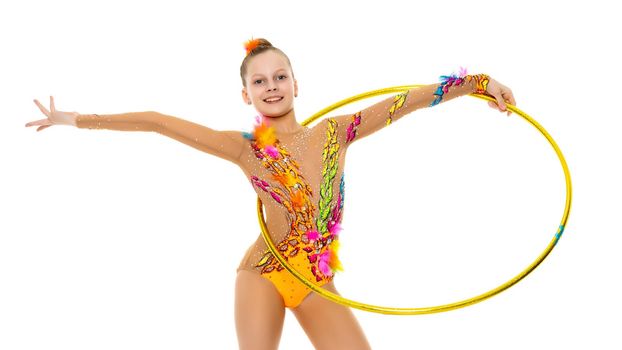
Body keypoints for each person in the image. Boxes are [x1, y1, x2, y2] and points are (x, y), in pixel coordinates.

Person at [26, 38, 516, 350]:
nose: (271, 86)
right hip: (262, 272)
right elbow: (157, 122)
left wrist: (479, 83)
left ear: (296, 84)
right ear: (247, 95)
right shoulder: (244, 150)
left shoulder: (335, 132)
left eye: (279, 76)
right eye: (259, 81)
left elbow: (402, 102)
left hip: (314, 278)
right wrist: (74, 119)